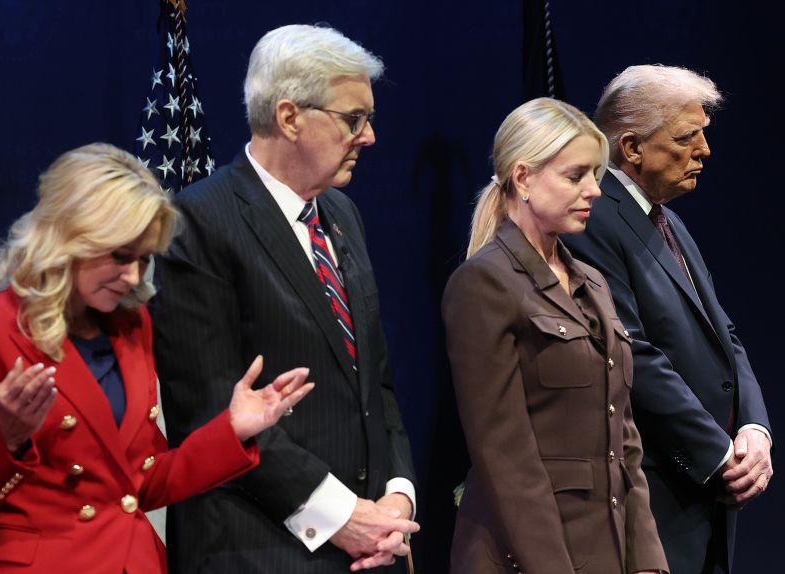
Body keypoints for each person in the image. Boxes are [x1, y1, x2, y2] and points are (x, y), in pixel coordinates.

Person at [0, 143, 313, 573]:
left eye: (143, 259)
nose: (133, 276)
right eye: (119, 255)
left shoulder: (131, 325)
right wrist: (10, 439)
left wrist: (231, 431)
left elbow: (141, 485)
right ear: (68, 238)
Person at [151, 24, 418, 573]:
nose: (368, 137)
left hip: (370, 546)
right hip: (261, 548)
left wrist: (397, 496)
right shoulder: (196, 222)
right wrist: (342, 517)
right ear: (291, 117)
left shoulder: (342, 216)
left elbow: (376, 382)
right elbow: (209, 412)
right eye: (353, 119)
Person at [442, 98, 669, 574]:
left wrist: (647, 558)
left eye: (596, 175)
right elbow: (504, 457)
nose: (595, 191)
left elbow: (625, 443)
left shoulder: (592, 281)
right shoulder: (485, 283)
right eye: (575, 176)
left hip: (606, 554)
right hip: (526, 558)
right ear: (523, 178)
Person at [562, 65, 773, 573]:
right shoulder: (593, 220)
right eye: (687, 136)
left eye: (703, 132)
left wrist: (754, 430)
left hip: (707, 490)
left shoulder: (667, 218)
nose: (705, 150)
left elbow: (726, 337)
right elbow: (630, 351)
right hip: (655, 492)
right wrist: (718, 456)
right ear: (632, 147)